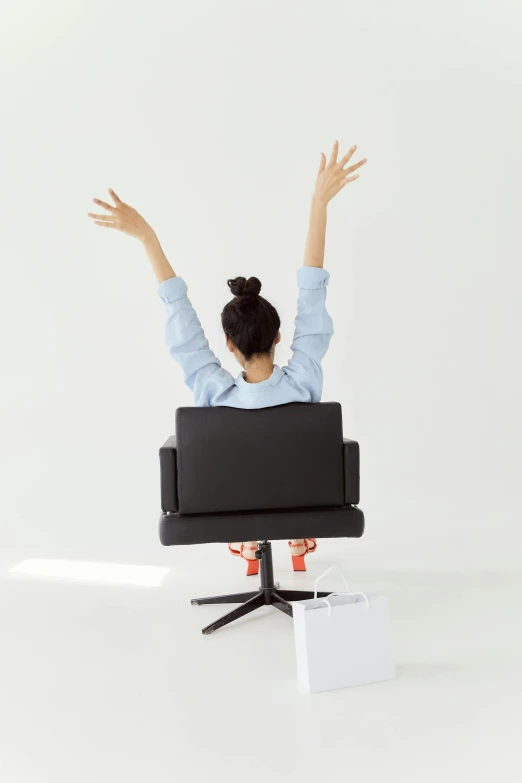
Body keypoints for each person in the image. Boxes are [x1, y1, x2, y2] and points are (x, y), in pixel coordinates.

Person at [88, 140, 367, 574]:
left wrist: (147, 237)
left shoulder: (212, 391)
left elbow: (182, 326)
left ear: (228, 344)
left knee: (243, 472)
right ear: (279, 336)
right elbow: (313, 291)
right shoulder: (304, 380)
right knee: (281, 467)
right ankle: (294, 533)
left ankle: (247, 537)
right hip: (300, 494)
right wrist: (318, 202)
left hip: (230, 499)